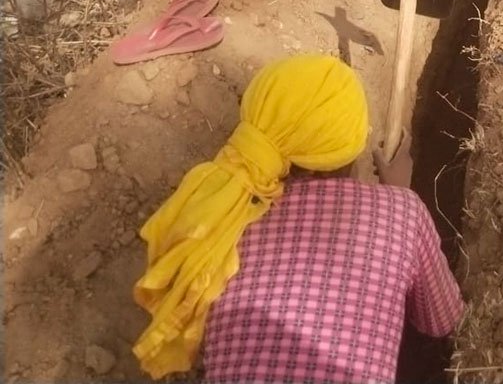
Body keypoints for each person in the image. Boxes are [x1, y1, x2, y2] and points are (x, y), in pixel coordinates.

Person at [132, 54, 464, 383]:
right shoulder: (402, 212)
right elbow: (443, 320)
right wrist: (399, 200)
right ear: (351, 150)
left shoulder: (225, 220)